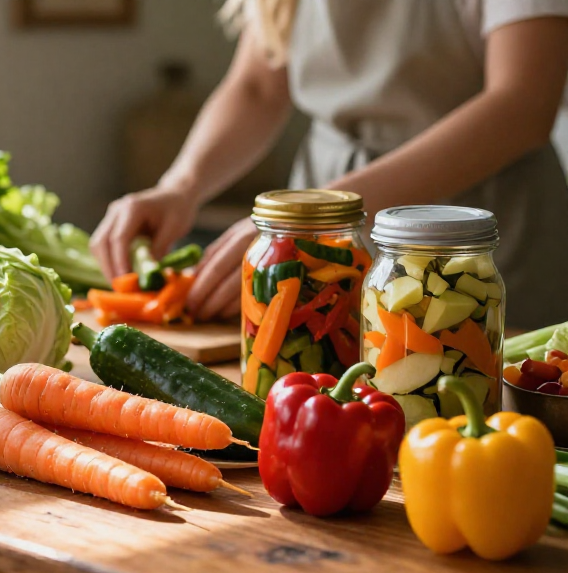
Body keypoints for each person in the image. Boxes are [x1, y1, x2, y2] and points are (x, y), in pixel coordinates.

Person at [90, 0, 568, 329]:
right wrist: (181, 185)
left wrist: (315, 214)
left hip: (473, 233)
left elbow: (522, 103)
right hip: (324, 220)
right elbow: (259, 86)